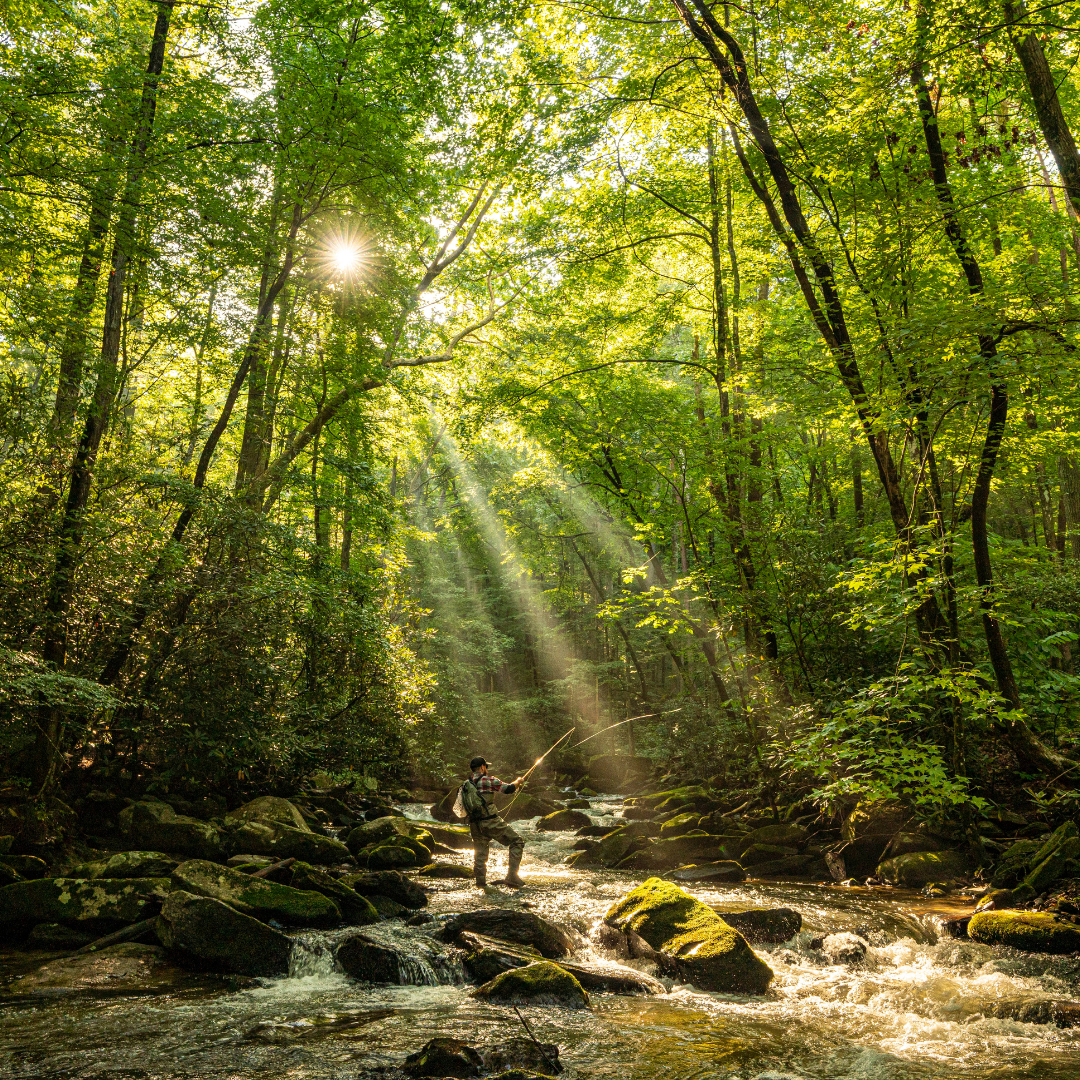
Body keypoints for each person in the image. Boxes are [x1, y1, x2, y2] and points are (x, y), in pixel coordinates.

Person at [462, 755, 526, 888]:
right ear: (482, 767)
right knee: (517, 841)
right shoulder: (489, 780)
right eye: (486, 766)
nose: (487, 769)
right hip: (490, 821)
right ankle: (512, 876)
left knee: (479, 855)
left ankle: (480, 883)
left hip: (474, 824)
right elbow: (508, 789)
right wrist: (518, 781)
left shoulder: (465, 785)